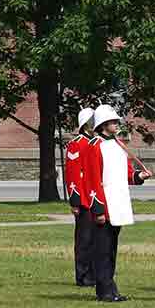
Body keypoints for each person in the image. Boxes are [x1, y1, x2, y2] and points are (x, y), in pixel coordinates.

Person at [82, 105, 151, 302]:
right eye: (113, 122)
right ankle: (104, 291)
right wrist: (98, 209)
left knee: (111, 249)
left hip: (118, 204)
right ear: (103, 124)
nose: (116, 124)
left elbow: (126, 174)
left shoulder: (119, 145)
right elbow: (92, 180)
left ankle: (111, 288)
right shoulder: (94, 146)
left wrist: (139, 176)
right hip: (104, 206)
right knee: (102, 250)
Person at [64, 107, 96, 287]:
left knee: (96, 239)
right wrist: (75, 201)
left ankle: (94, 272)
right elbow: (73, 175)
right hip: (83, 198)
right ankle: (83, 275)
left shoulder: (95, 143)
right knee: (84, 239)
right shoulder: (77, 144)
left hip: (95, 197)